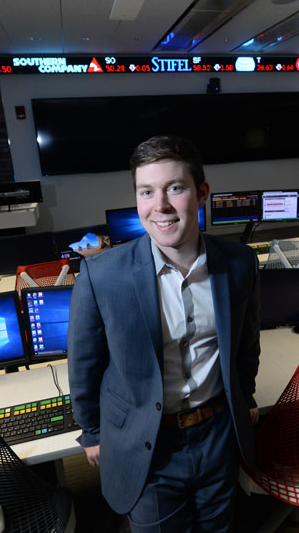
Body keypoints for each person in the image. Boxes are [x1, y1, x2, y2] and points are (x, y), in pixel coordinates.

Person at [68, 135, 261, 531]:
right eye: (147, 192)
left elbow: (246, 343)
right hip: (148, 443)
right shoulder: (102, 275)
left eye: (175, 188)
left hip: (218, 433)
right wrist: (92, 432)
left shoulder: (240, 263)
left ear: (202, 192)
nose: (161, 207)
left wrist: (248, 393)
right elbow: (84, 364)